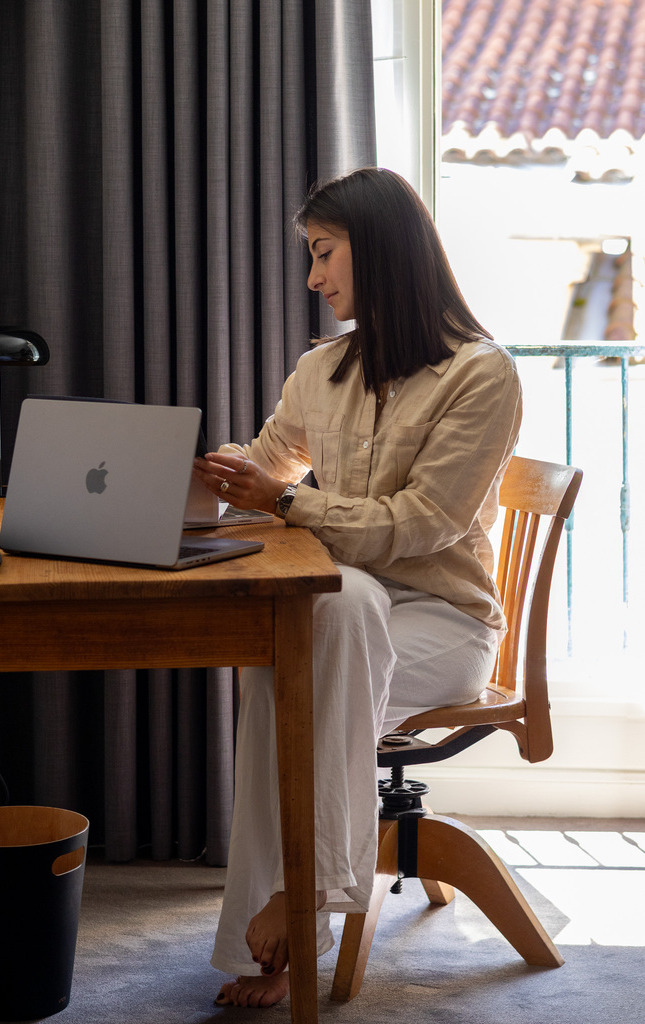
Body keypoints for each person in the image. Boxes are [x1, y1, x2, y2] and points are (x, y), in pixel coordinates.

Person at [193, 166, 522, 1008]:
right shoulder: (322, 369)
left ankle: (301, 902)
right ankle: (305, 897)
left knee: (301, 659)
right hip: (349, 603)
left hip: (444, 622)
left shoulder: (480, 374)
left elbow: (422, 523)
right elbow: (270, 462)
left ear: (376, 249)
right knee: (325, 621)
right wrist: (210, 475)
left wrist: (286, 501)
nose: (313, 278)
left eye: (323, 252)